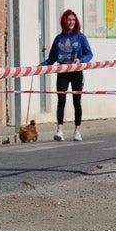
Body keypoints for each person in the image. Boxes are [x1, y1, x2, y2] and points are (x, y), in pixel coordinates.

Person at [40, 9, 94, 141]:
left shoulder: (80, 37)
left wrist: (81, 61)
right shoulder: (59, 38)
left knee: (77, 101)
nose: (71, 22)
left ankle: (77, 131)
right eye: (69, 19)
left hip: (76, 72)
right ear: (64, 21)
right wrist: (39, 67)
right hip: (62, 71)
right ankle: (59, 130)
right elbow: (51, 58)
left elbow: (89, 54)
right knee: (61, 100)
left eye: (73, 20)